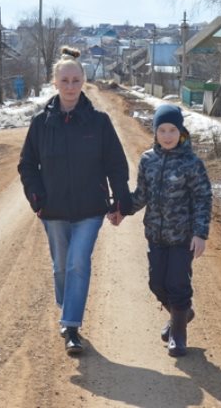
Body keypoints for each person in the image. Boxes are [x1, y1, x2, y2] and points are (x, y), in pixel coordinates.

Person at [18, 47, 131, 356]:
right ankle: (67, 304)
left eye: (76, 80)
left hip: (90, 209)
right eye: (65, 80)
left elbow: (116, 165)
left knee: (78, 263)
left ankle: (71, 326)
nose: (70, 87)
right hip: (52, 209)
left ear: (84, 82)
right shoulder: (41, 124)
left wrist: (120, 200)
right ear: (54, 82)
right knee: (60, 268)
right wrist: (36, 195)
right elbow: (27, 164)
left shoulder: (99, 123)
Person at [119, 103, 212, 357]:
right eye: (163, 130)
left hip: (183, 238)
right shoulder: (148, 160)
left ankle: (178, 336)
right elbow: (141, 196)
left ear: (181, 132)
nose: (168, 136)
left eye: (173, 130)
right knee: (156, 283)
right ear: (155, 132)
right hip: (156, 236)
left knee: (177, 283)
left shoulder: (192, 163)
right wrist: (121, 209)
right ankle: (181, 315)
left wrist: (200, 233)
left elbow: (203, 199)